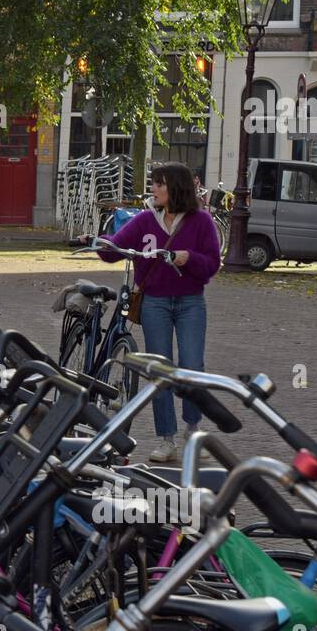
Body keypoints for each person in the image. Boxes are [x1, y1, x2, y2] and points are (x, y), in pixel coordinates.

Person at [80, 162, 222, 464]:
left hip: (190, 302)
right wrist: (96, 242)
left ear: (176, 188)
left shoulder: (201, 221)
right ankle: (167, 438)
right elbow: (113, 249)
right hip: (154, 302)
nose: (154, 189)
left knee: (192, 364)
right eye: (154, 184)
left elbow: (211, 264)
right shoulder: (145, 220)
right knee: (160, 370)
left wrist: (189, 258)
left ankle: (193, 430)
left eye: (160, 184)